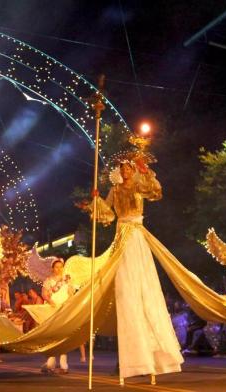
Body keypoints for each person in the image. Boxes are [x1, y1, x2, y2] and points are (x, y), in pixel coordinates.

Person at [84, 153, 183, 380]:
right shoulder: (115, 190)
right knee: (125, 289)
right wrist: (96, 201)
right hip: (122, 235)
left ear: (133, 170)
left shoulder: (140, 186)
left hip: (137, 234)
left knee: (144, 283)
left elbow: (156, 192)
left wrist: (145, 171)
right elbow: (105, 214)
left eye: (129, 168)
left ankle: (151, 357)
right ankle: (129, 359)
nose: (126, 171)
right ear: (119, 171)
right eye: (123, 168)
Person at [41, 258, 75, 374]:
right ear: (52, 268)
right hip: (52, 310)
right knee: (52, 336)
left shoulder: (67, 280)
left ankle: (63, 363)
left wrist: (68, 304)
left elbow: (71, 294)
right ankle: (50, 362)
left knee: (63, 336)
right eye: (56, 267)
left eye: (61, 267)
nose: (59, 269)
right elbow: (44, 294)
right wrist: (51, 302)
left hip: (64, 310)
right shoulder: (48, 280)